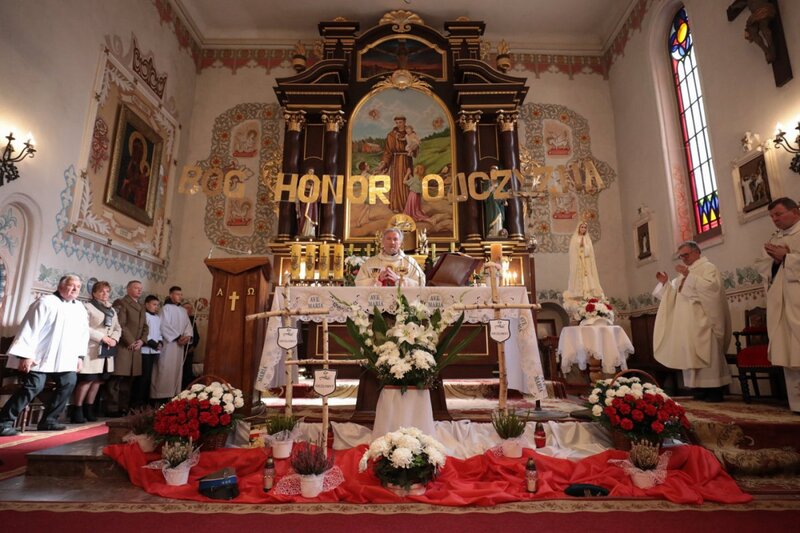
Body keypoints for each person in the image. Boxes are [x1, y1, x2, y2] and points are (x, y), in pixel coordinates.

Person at [0, 275, 89, 436]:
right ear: (61, 286)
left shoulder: (80, 308)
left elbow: (83, 335)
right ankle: (4, 421)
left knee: (69, 382)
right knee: (34, 386)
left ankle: (49, 420)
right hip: (40, 356)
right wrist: (26, 355)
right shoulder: (45, 302)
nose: (75, 289)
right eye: (71, 285)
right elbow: (29, 328)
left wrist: (80, 357)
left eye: (78, 286)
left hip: (65, 357)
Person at [652, 241, 732, 402]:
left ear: (697, 252)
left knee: (708, 354)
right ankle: (698, 389)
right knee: (690, 354)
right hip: (687, 324)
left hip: (703, 321)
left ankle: (715, 390)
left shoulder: (708, 268)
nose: (683, 258)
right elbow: (675, 294)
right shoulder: (684, 273)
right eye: (681, 256)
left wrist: (690, 276)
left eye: (686, 255)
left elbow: (712, 290)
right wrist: (665, 283)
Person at [755, 197, 800, 413]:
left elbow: (789, 261)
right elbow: (763, 268)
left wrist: (787, 257)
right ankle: (797, 404)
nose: (775, 219)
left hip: (797, 303)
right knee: (789, 352)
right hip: (782, 305)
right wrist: (774, 260)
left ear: (795, 211)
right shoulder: (775, 239)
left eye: (779, 214)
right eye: (772, 216)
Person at [70, 281, 121, 423]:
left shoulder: (111, 309)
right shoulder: (87, 307)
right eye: (101, 291)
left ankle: (89, 408)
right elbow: (83, 327)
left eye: (107, 291)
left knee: (97, 381)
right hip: (91, 348)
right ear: (94, 293)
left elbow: (117, 327)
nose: (105, 294)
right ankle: (77, 409)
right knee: (87, 380)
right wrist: (102, 337)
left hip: (106, 350)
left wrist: (114, 339)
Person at [110, 280, 148, 414]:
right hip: (124, 346)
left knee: (128, 380)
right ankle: (112, 408)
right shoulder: (121, 303)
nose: (139, 290)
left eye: (140, 288)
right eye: (136, 288)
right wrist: (130, 341)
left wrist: (142, 341)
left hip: (136, 348)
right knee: (117, 379)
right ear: (128, 289)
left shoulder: (141, 306)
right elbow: (121, 324)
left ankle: (123, 407)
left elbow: (145, 327)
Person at [152, 286, 193, 403]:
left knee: (176, 371)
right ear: (170, 295)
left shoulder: (183, 311)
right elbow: (163, 325)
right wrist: (178, 337)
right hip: (168, 345)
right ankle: (160, 397)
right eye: (177, 294)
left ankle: (173, 395)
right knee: (164, 369)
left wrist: (187, 337)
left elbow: (188, 326)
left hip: (179, 347)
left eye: (181, 294)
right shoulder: (165, 309)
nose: (180, 296)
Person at [355, 227, 426, 287]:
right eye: (389, 239)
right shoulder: (371, 262)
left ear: (400, 243)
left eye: (395, 239)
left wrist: (398, 280)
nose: (392, 242)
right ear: (383, 242)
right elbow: (359, 283)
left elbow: (421, 283)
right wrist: (377, 279)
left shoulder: (410, 262)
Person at [375, 116, 417, 214]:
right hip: (396, 161)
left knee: (407, 182)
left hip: (407, 160)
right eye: (397, 122)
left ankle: (408, 206)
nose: (398, 124)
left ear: (404, 122)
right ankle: (396, 206)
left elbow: (416, 145)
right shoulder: (391, 135)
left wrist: (413, 150)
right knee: (397, 183)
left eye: (400, 122)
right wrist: (384, 162)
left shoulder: (410, 133)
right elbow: (388, 151)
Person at [563, 222, 604, 309]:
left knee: (588, 277)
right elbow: (572, 252)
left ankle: (589, 295)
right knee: (579, 277)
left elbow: (590, 251)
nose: (583, 229)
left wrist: (585, 247)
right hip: (578, 262)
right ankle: (579, 294)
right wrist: (579, 246)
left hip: (586, 261)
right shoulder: (575, 238)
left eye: (585, 227)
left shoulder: (587, 239)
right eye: (582, 227)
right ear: (579, 228)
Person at [138, 295, 162, 407]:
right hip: (145, 350)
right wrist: (153, 344)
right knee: (143, 377)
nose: (156, 307)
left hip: (154, 350)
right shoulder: (144, 315)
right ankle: (138, 402)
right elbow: (143, 332)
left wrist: (160, 342)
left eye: (157, 305)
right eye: (154, 304)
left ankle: (146, 401)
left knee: (149, 377)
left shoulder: (157, 318)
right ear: (146, 304)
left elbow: (159, 332)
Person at [180, 301, 200, 390]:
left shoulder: (192, 320)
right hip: (180, 349)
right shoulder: (178, 319)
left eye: (191, 308)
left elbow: (196, 336)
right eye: (187, 308)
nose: (190, 310)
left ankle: (186, 390)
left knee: (187, 372)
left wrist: (193, 346)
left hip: (189, 351)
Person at [483, 166, 507, 238]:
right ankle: (492, 232)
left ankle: (499, 232)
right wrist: (491, 188)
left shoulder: (499, 183)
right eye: (492, 172)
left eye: (495, 172)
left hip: (499, 203)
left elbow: (503, 193)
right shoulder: (487, 182)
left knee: (499, 216)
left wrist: (504, 199)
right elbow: (484, 194)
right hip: (491, 203)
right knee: (493, 216)